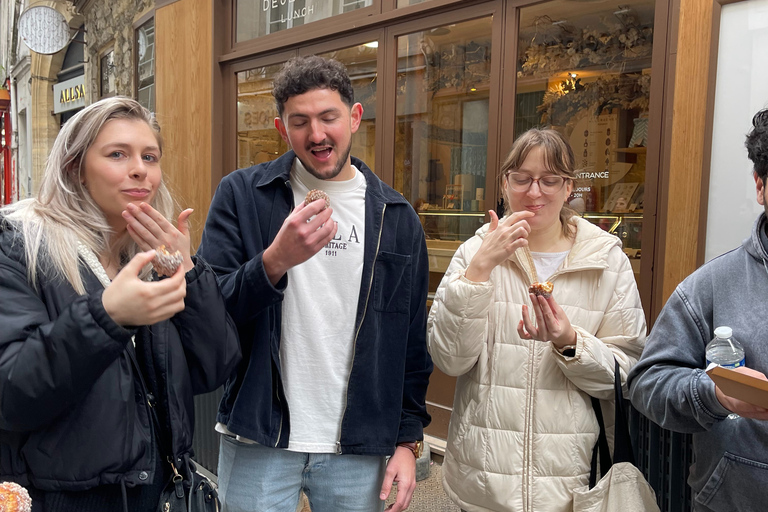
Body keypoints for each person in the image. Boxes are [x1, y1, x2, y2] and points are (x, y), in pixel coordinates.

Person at [197, 55, 432, 512]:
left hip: (357, 446)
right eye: (300, 121)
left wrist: (407, 441)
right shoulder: (242, 195)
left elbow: (410, 342)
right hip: (259, 436)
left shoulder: (397, 217)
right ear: (283, 128)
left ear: (355, 117)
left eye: (329, 117)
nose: (317, 135)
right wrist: (273, 262)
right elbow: (211, 307)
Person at [0, 97, 241, 512]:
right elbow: (12, 393)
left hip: (161, 495)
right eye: (117, 154)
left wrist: (187, 272)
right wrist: (107, 317)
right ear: (74, 168)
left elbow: (213, 368)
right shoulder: (21, 245)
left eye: (150, 156)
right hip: (64, 500)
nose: (139, 169)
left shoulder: (148, 256)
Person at [427, 128, 646, 511]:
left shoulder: (607, 261)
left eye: (549, 180)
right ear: (504, 183)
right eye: (522, 179)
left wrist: (569, 341)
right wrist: (479, 271)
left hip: (573, 483)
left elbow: (625, 374)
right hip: (484, 478)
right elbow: (450, 360)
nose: (534, 192)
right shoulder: (472, 254)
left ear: (568, 188)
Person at [629, 109, 768, 511]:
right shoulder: (710, 286)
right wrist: (715, 395)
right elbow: (647, 382)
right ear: (760, 184)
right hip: (732, 498)